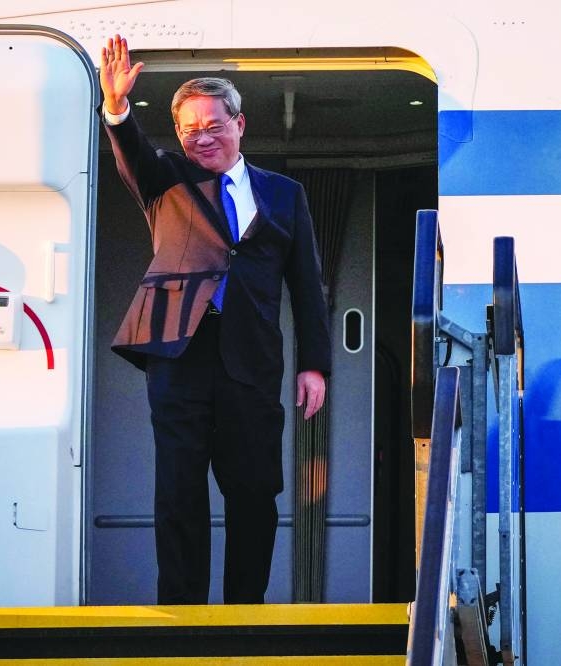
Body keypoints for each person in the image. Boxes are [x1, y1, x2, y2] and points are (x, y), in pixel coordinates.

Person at [99, 34, 331, 605]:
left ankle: (244, 614)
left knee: (254, 492)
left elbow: (306, 285)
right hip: (180, 355)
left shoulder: (285, 195)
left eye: (212, 124)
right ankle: (181, 616)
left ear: (240, 124)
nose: (201, 136)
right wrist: (117, 108)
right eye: (188, 128)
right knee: (178, 491)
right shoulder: (167, 182)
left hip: (252, 361)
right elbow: (132, 154)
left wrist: (315, 367)